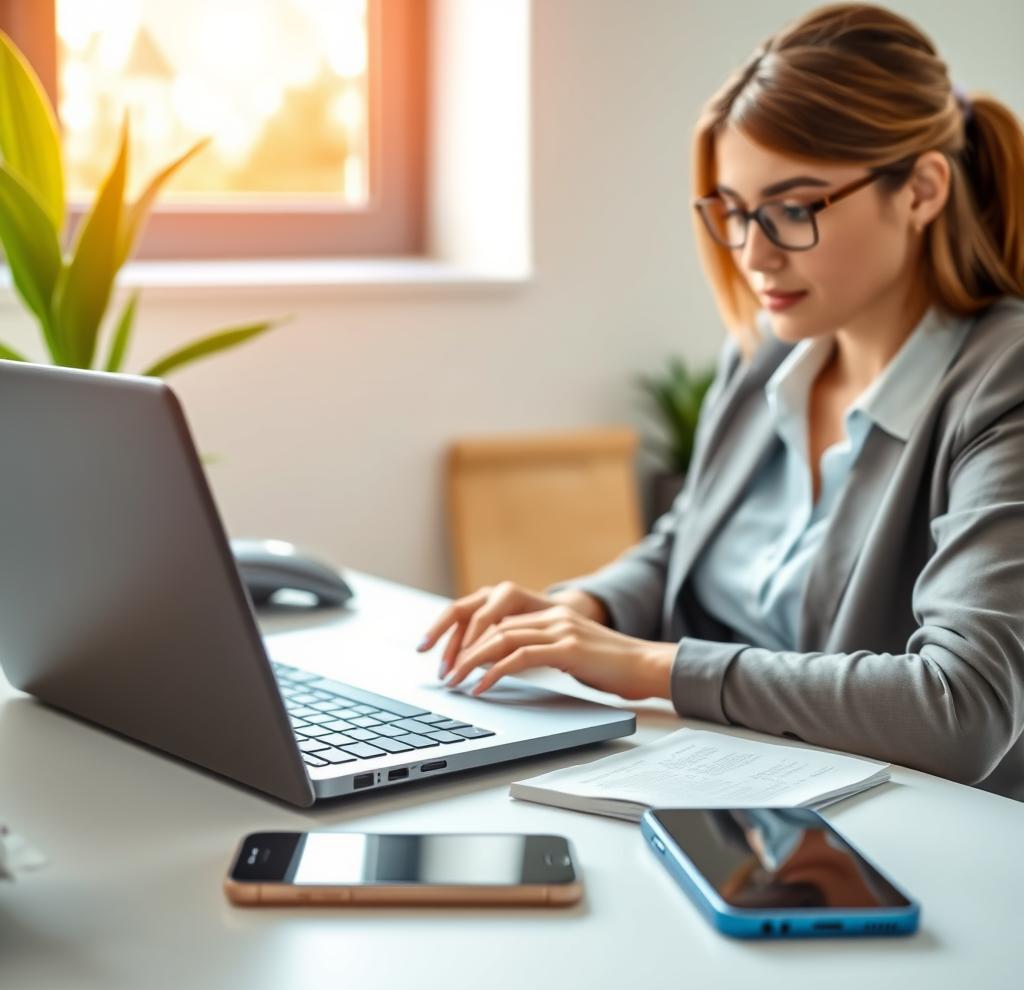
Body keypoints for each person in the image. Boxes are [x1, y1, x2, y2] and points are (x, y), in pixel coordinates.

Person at [416, 4, 1024, 801]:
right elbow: (685, 542)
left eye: (795, 209)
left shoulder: (1001, 380)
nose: (753, 254)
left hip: (907, 836)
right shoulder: (768, 353)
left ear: (921, 189)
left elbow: (962, 706)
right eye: (735, 213)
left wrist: (646, 666)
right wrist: (577, 609)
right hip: (729, 785)